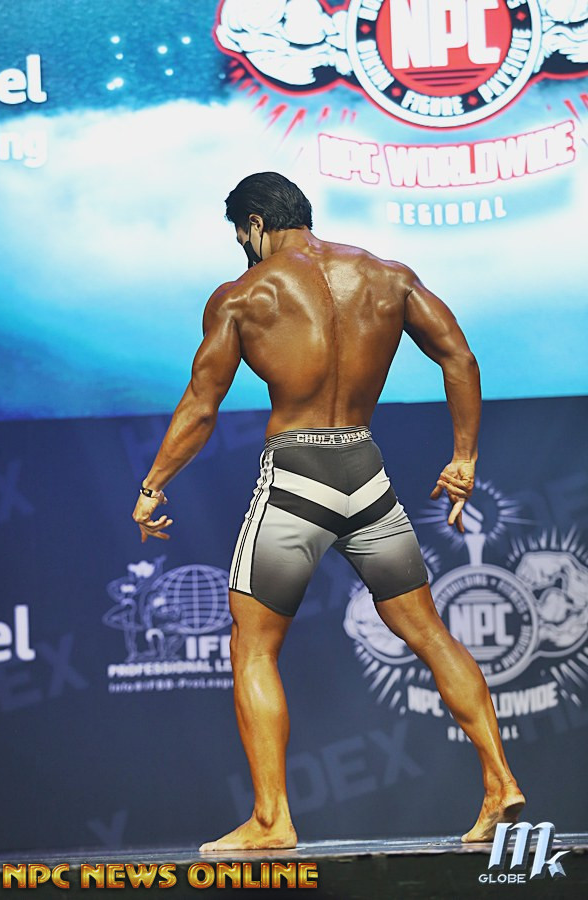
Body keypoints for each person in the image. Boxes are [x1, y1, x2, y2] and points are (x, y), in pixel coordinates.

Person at [131, 172, 525, 851]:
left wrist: (153, 483)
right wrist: (463, 457)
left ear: (256, 224)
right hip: (365, 472)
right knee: (430, 634)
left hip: (297, 476)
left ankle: (271, 820)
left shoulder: (244, 295)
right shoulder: (388, 276)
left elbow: (201, 405)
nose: (241, 247)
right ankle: (500, 783)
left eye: (240, 235)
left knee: (253, 645)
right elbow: (459, 356)